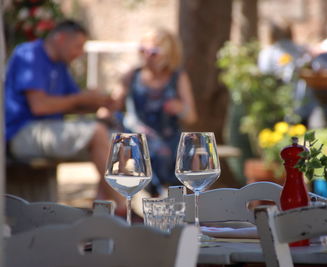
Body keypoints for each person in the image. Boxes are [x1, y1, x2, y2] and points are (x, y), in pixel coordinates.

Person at [4, 20, 125, 214]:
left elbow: (75, 103)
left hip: (48, 130)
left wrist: (102, 101)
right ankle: (123, 207)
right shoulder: (29, 54)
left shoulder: (61, 66)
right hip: (21, 133)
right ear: (60, 38)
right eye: (78, 46)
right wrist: (80, 98)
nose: (80, 53)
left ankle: (101, 212)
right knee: (97, 132)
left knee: (118, 142)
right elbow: (40, 106)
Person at [112, 27, 197, 195]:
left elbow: (192, 117)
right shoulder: (132, 75)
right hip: (138, 137)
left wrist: (180, 108)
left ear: (168, 54)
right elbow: (112, 104)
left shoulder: (177, 77)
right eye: (142, 50)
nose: (146, 56)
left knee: (187, 151)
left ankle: (185, 204)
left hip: (168, 137)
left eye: (153, 52)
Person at [258, 19, 316, 125]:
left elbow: (264, 76)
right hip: (304, 103)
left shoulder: (267, 53)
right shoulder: (302, 50)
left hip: (276, 106)